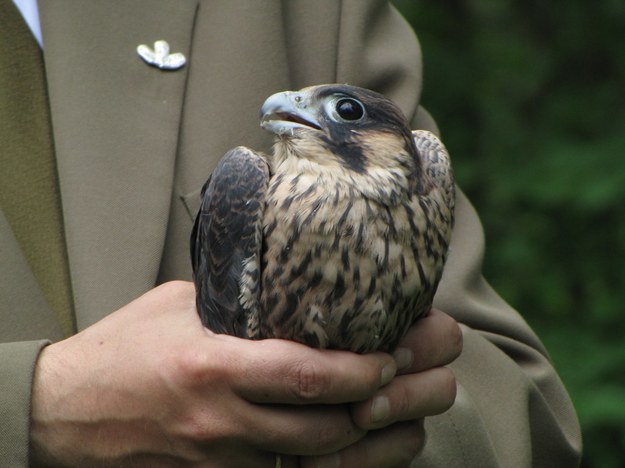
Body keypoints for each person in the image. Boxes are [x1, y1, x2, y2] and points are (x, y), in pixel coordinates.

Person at [0, 1, 581, 466]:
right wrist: (32, 410)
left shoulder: (319, 16)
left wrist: (358, 431)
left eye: (341, 112)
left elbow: (512, 402)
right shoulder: (248, 178)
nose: (287, 105)